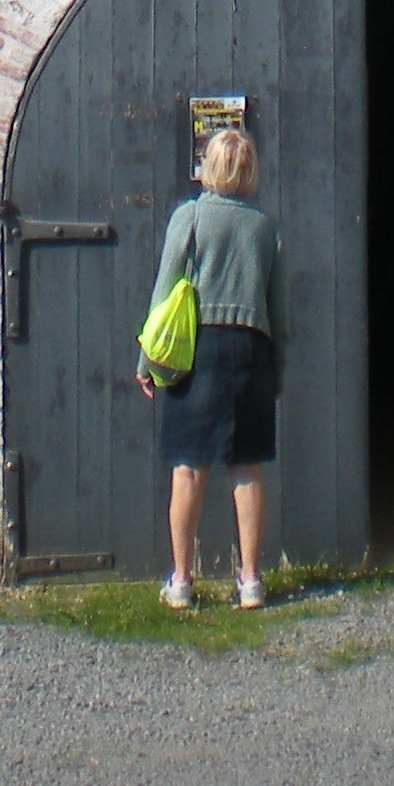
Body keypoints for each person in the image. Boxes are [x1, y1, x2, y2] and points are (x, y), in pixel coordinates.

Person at [138, 124, 289, 611]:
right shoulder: (265, 229)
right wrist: (276, 372)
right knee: (246, 467)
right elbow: (278, 311)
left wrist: (149, 361)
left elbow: (165, 293)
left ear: (211, 168)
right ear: (249, 171)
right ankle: (250, 581)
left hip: (198, 350)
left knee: (188, 468)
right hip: (251, 352)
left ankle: (181, 582)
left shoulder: (190, 217)